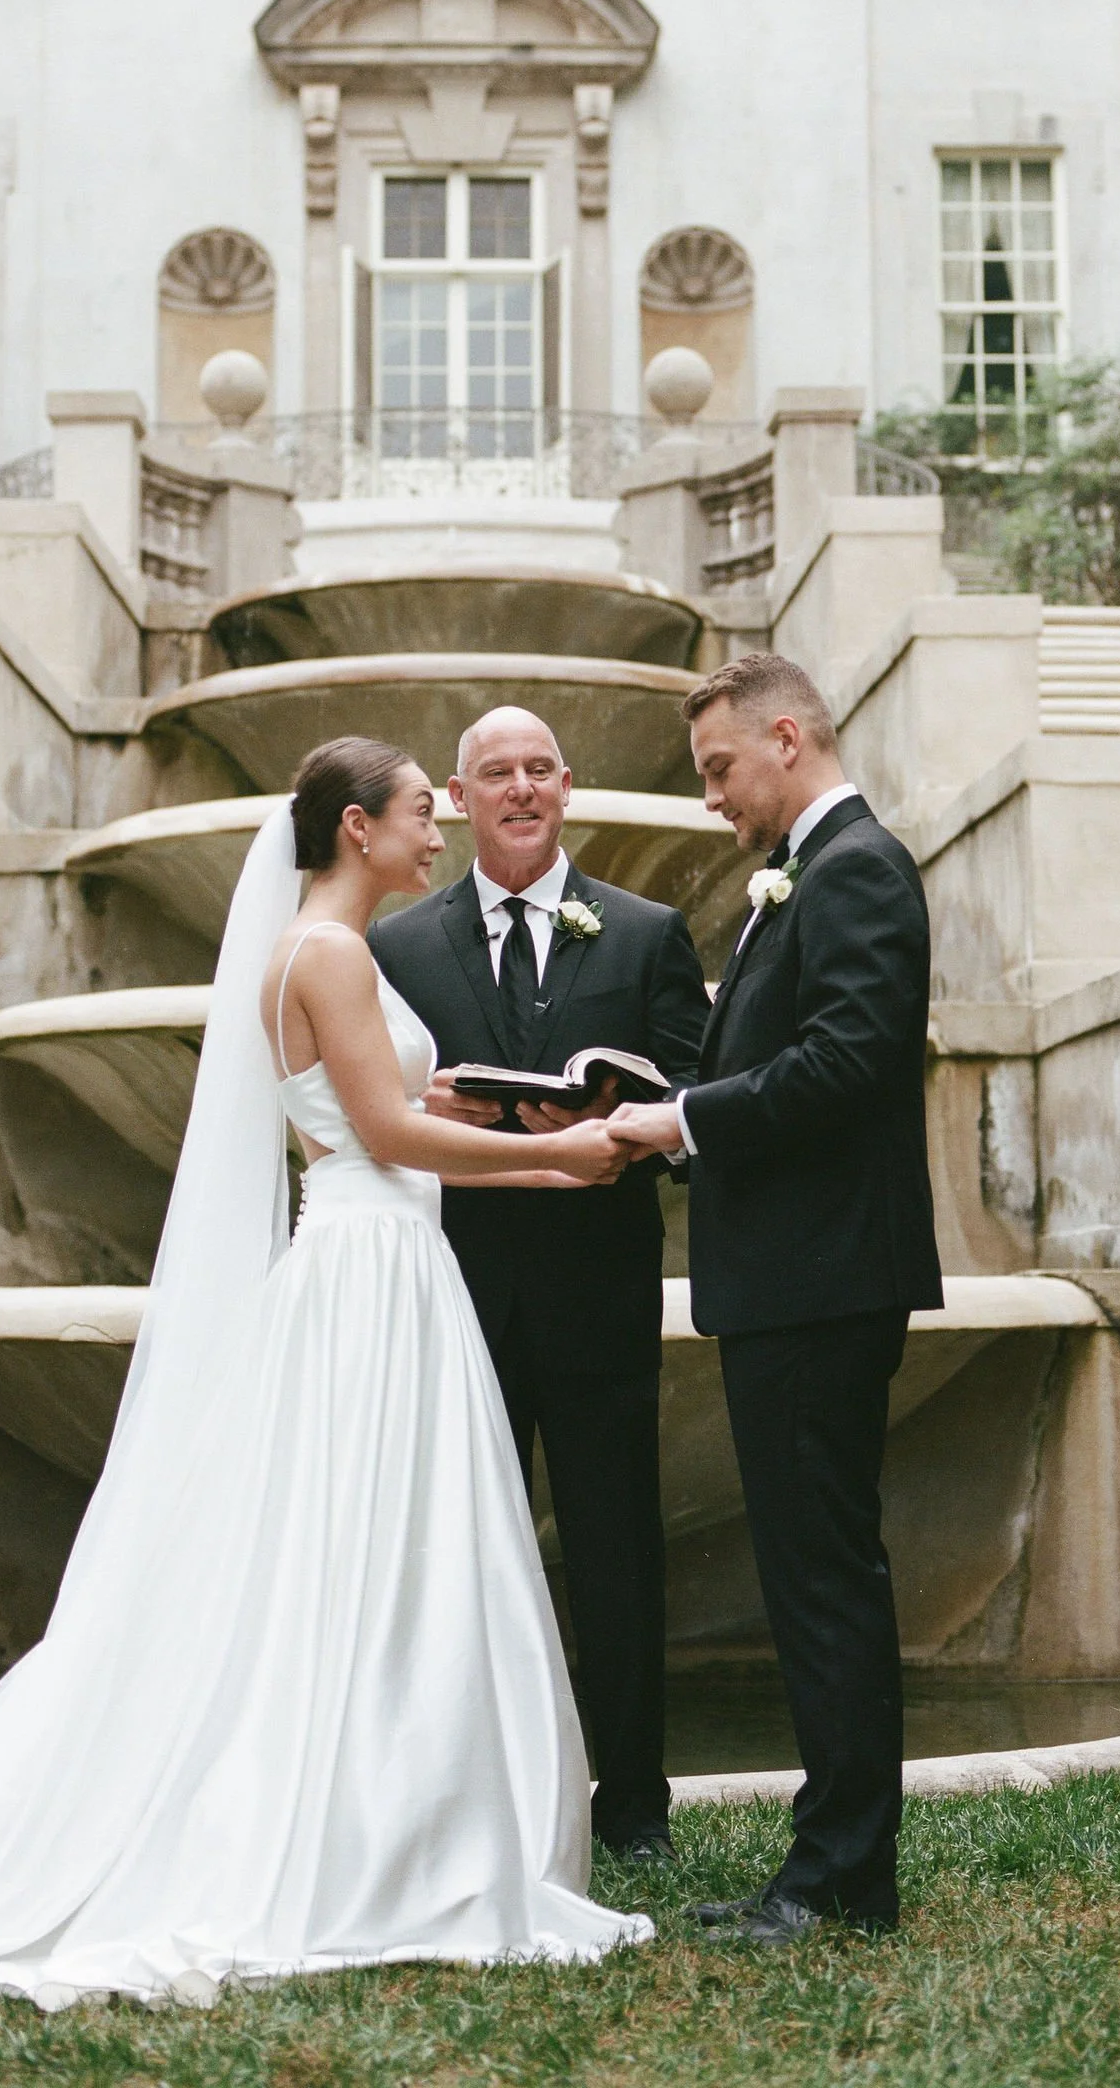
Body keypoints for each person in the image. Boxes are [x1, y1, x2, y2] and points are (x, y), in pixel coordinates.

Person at [0, 736, 653, 2006]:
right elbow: (381, 1130)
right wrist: (564, 1157)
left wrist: (476, 1111)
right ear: (356, 828)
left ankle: (381, 1812)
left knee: (358, 1554)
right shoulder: (334, 953)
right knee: (374, 1552)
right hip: (373, 1272)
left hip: (373, 1259)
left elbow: (376, 1109)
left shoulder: (307, 949)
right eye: (423, 809)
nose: (442, 827)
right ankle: (372, 1831)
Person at [610, 653, 941, 1945]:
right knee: (814, 1574)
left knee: (824, 1581)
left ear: (787, 737)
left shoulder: (856, 867)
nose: (709, 800)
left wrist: (682, 1118)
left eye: (719, 769)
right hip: (792, 1281)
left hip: (820, 1283)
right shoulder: (809, 872)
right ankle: (834, 1861)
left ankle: (842, 1876)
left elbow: (853, 1059)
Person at [371, 705, 710, 1862]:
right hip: (454, 1292)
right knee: (456, 1555)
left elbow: (700, 1092)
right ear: (459, 801)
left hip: (597, 1291)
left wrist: (624, 1123)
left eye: (536, 771)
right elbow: (364, 1112)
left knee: (618, 1553)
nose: (517, 790)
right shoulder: (396, 945)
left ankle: (634, 1807)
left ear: (567, 788)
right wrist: (434, 1114)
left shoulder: (646, 932)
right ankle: (466, 1803)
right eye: (492, 775)